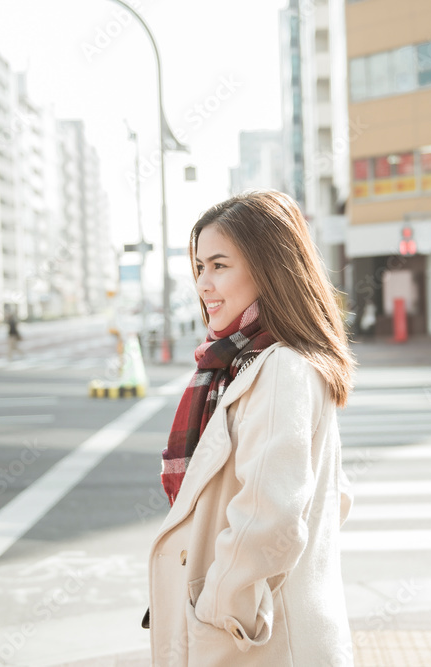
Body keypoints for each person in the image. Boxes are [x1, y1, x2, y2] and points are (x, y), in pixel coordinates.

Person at [145, 190, 357, 665]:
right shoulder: (244, 365)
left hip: (256, 643)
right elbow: (333, 498)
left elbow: (270, 517)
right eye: (200, 267)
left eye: (220, 265)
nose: (204, 284)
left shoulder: (278, 367)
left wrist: (221, 612)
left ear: (267, 268)